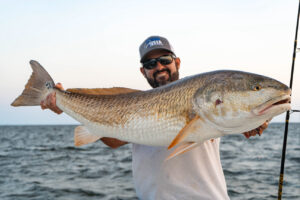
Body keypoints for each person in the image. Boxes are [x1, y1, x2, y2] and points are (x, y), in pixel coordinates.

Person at [41, 36, 269, 199]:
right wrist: (64, 103)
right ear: (143, 71)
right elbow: (112, 140)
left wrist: (255, 120)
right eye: (150, 64)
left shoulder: (205, 94)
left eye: (165, 59)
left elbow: (236, 116)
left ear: (177, 62)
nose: (159, 66)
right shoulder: (132, 101)